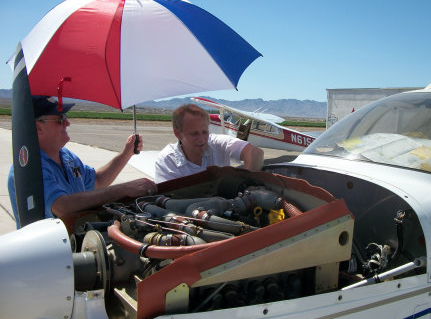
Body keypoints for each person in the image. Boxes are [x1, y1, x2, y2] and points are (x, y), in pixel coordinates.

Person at [8, 96, 157, 228]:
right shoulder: (28, 167)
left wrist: (126, 154)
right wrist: (123, 189)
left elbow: (97, 182)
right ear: (38, 127)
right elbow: (62, 206)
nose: (67, 123)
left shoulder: (67, 157)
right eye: (60, 119)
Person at [155, 103, 264, 183]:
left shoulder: (217, 143)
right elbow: (169, 200)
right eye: (194, 134)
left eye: (204, 132)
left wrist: (247, 181)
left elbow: (255, 152)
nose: (202, 139)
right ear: (178, 134)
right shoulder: (167, 161)